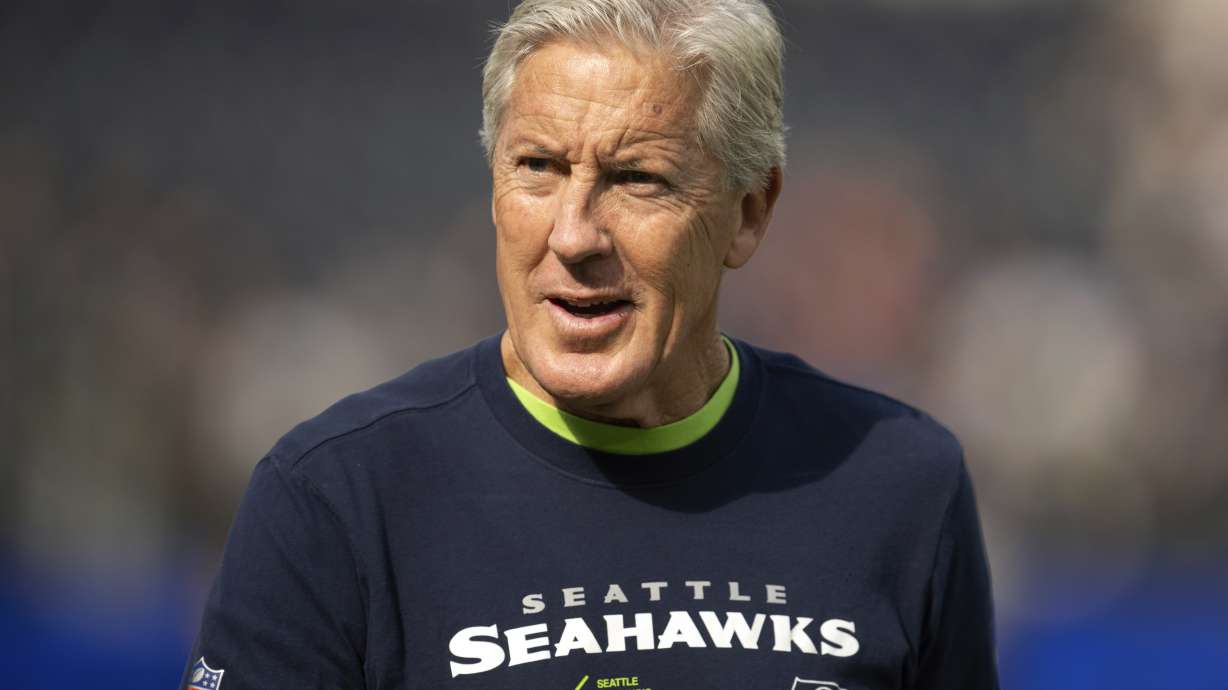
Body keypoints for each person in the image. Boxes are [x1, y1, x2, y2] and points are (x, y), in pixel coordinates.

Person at [181, 1, 999, 688]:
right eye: (536, 166)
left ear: (748, 213)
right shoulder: (334, 500)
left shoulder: (899, 484)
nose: (573, 235)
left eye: (638, 178)